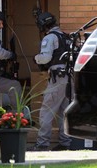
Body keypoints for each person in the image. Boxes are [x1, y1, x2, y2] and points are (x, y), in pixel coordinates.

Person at [27, 11, 73, 151]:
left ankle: (42, 144)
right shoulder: (65, 36)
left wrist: (36, 58)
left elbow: (46, 58)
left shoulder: (50, 37)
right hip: (69, 78)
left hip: (57, 78)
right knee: (64, 111)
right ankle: (66, 142)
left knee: (46, 110)